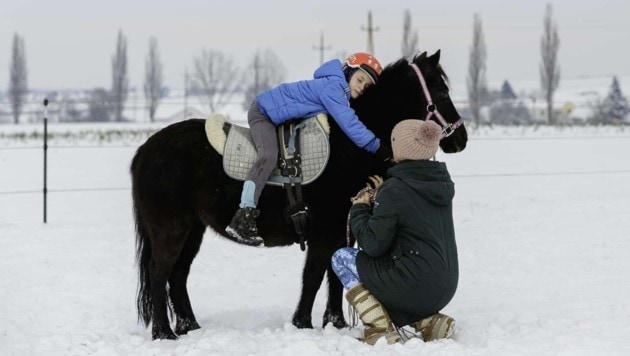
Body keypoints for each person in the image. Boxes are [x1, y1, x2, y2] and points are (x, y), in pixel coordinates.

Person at [226, 52, 392, 246]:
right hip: (263, 113)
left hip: (280, 117)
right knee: (268, 156)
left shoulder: (337, 89)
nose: (361, 87)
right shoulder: (334, 88)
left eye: (366, 86)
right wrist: (378, 147)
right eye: (360, 79)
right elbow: (350, 124)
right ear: (349, 72)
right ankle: (243, 215)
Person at [331, 119, 459, 345]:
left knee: (341, 258)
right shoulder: (440, 183)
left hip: (414, 284)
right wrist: (383, 198)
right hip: (445, 286)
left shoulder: (396, 189)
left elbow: (373, 244)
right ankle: (426, 321)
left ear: (401, 147)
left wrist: (360, 208)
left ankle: (380, 327)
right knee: (395, 272)